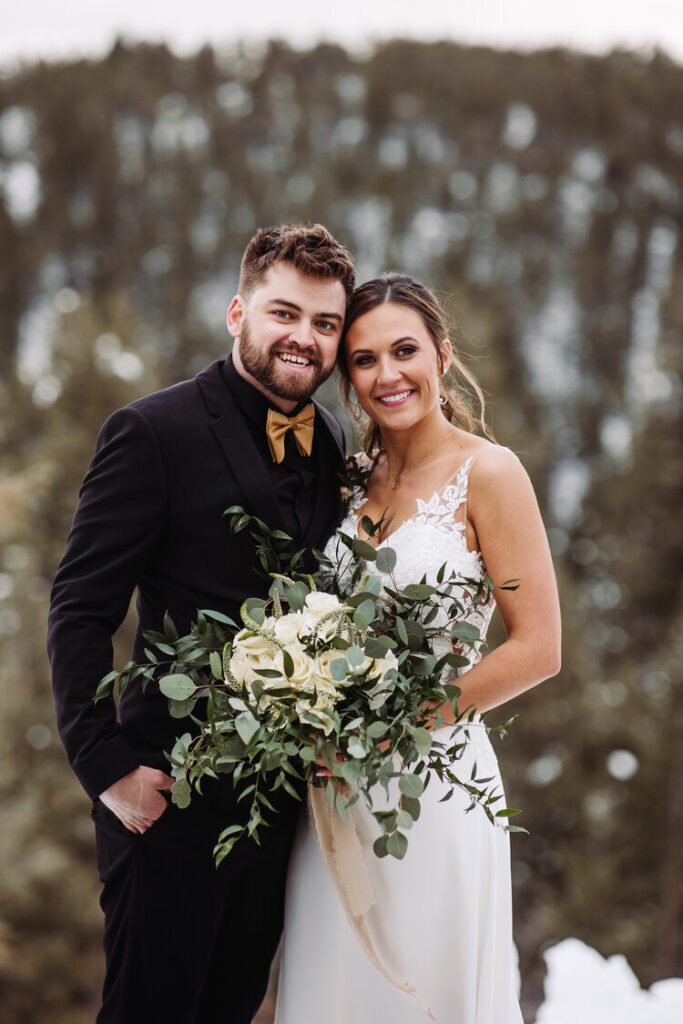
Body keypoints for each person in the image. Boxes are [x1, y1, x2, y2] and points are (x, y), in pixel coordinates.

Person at [47, 224, 356, 1024]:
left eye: (325, 324)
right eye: (284, 313)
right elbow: (80, 606)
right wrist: (105, 765)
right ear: (236, 313)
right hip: (165, 797)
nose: (304, 338)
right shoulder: (152, 431)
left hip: (277, 808)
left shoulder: (332, 444)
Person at [275, 274, 562, 1024]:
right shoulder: (348, 481)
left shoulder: (488, 473)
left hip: (432, 789)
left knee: (422, 991)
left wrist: (398, 723)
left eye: (403, 351)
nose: (386, 375)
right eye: (363, 361)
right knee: (332, 986)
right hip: (333, 788)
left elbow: (537, 647)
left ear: (440, 351)